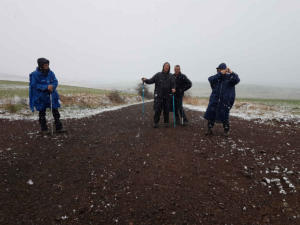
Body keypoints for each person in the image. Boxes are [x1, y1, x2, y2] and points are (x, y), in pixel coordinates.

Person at [29, 58, 64, 134]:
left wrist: (52, 86)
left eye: (47, 64)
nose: (47, 66)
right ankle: (44, 129)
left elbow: (55, 81)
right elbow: (34, 85)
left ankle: (59, 128)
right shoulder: (34, 74)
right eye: (45, 65)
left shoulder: (51, 73)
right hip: (41, 97)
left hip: (52, 95)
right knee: (42, 113)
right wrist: (46, 87)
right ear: (40, 65)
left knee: (55, 112)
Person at [204, 63, 240, 136]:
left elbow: (237, 80)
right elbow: (210, 79)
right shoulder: (216, 77)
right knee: (211, 114)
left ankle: (226, 130)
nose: (218, 71)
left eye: (220, 69)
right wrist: (220, 74)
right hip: (214, 99)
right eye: (218, 70)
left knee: (225, 115)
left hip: (225, 100)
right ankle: (209, 129)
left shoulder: (230, 78)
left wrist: (232, 72)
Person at [142, 62, 176, 128]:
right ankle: (156, 122)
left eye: (168, 66)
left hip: (167, 95)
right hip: (159, 95)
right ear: (163, 67)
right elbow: (151, 81)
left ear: (169, 68)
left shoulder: (171, 76)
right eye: (165, 66)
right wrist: (145, 80)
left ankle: (166, 123)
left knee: (166, 110)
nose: (166, 67)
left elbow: (173, 84)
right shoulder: (158, 75)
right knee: (158, 110)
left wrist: (174, 88)